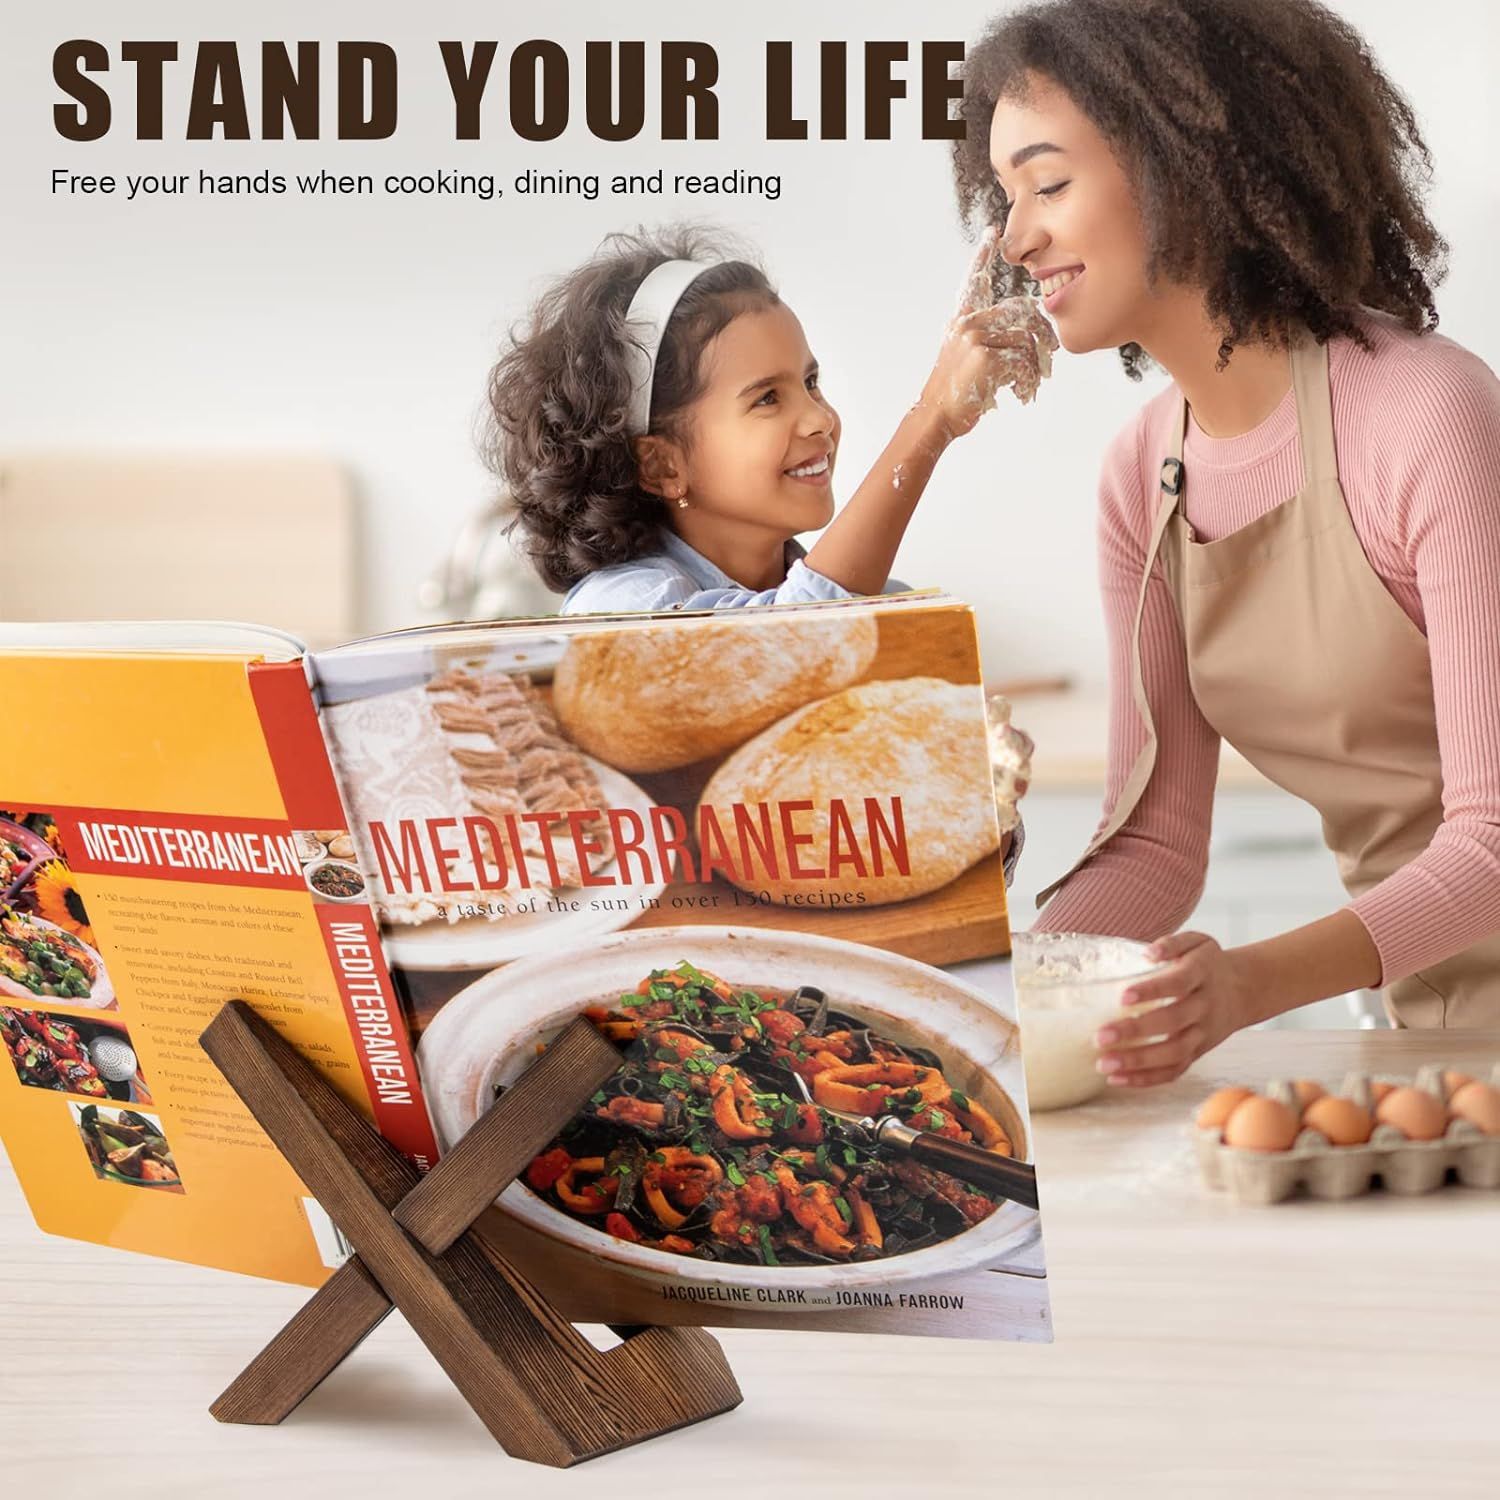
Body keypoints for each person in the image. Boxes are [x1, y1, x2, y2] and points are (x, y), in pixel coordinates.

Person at [954, 0, 1500, 1081]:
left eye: (1049, 185)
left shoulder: (1427, 416)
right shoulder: (1142, 477)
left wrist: (1245, 986)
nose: (1015, 240)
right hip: (1435, 1037)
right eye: (1005, 198)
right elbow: (1155, 844)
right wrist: (1001, 988)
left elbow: (1493, 841)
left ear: (1184, 164)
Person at [483, 225, 1055, 614]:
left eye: (810, 383)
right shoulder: (621, 610)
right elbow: (783, 644)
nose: (820, 419)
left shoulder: (885, 606)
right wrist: (931, 420)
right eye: (766, 398)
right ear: (662, 465)